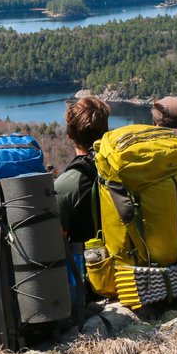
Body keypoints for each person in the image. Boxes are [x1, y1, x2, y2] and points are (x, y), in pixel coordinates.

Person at [54, 95, 110, 244]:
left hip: (91, 265)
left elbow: (58, 243)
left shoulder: (63, 186)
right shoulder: (125, 168)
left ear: (70, 137)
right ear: (106, 131)